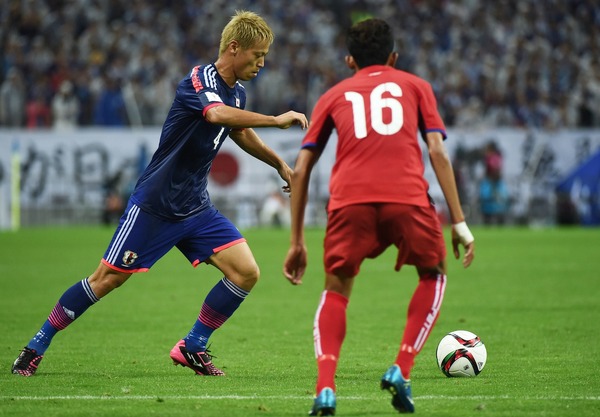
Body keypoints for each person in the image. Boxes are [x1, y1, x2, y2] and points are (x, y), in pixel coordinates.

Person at [12, 10, 308, 378]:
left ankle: (193, 346)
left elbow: (238, 131)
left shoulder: (238, 92)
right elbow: (216, 116)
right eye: (257, 54)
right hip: (155, 205)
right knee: (106, 279)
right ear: (234, 47)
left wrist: (279, 163)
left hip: (195, 207)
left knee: (246, 272)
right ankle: (35, 345)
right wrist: (276, 119)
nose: (262, 63)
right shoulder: (199, 80)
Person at [283, 18, 475, 415]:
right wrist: (459, 221)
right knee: (434, 273)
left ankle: (324, 388)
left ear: (349, 59)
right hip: (407, 197)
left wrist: (297, 241)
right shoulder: (416, 86)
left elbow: (300, 170)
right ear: (394, 56)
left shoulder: (333, 96)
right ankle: (401, 368)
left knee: (336, 290)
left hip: (349, 202)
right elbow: (437, 153)